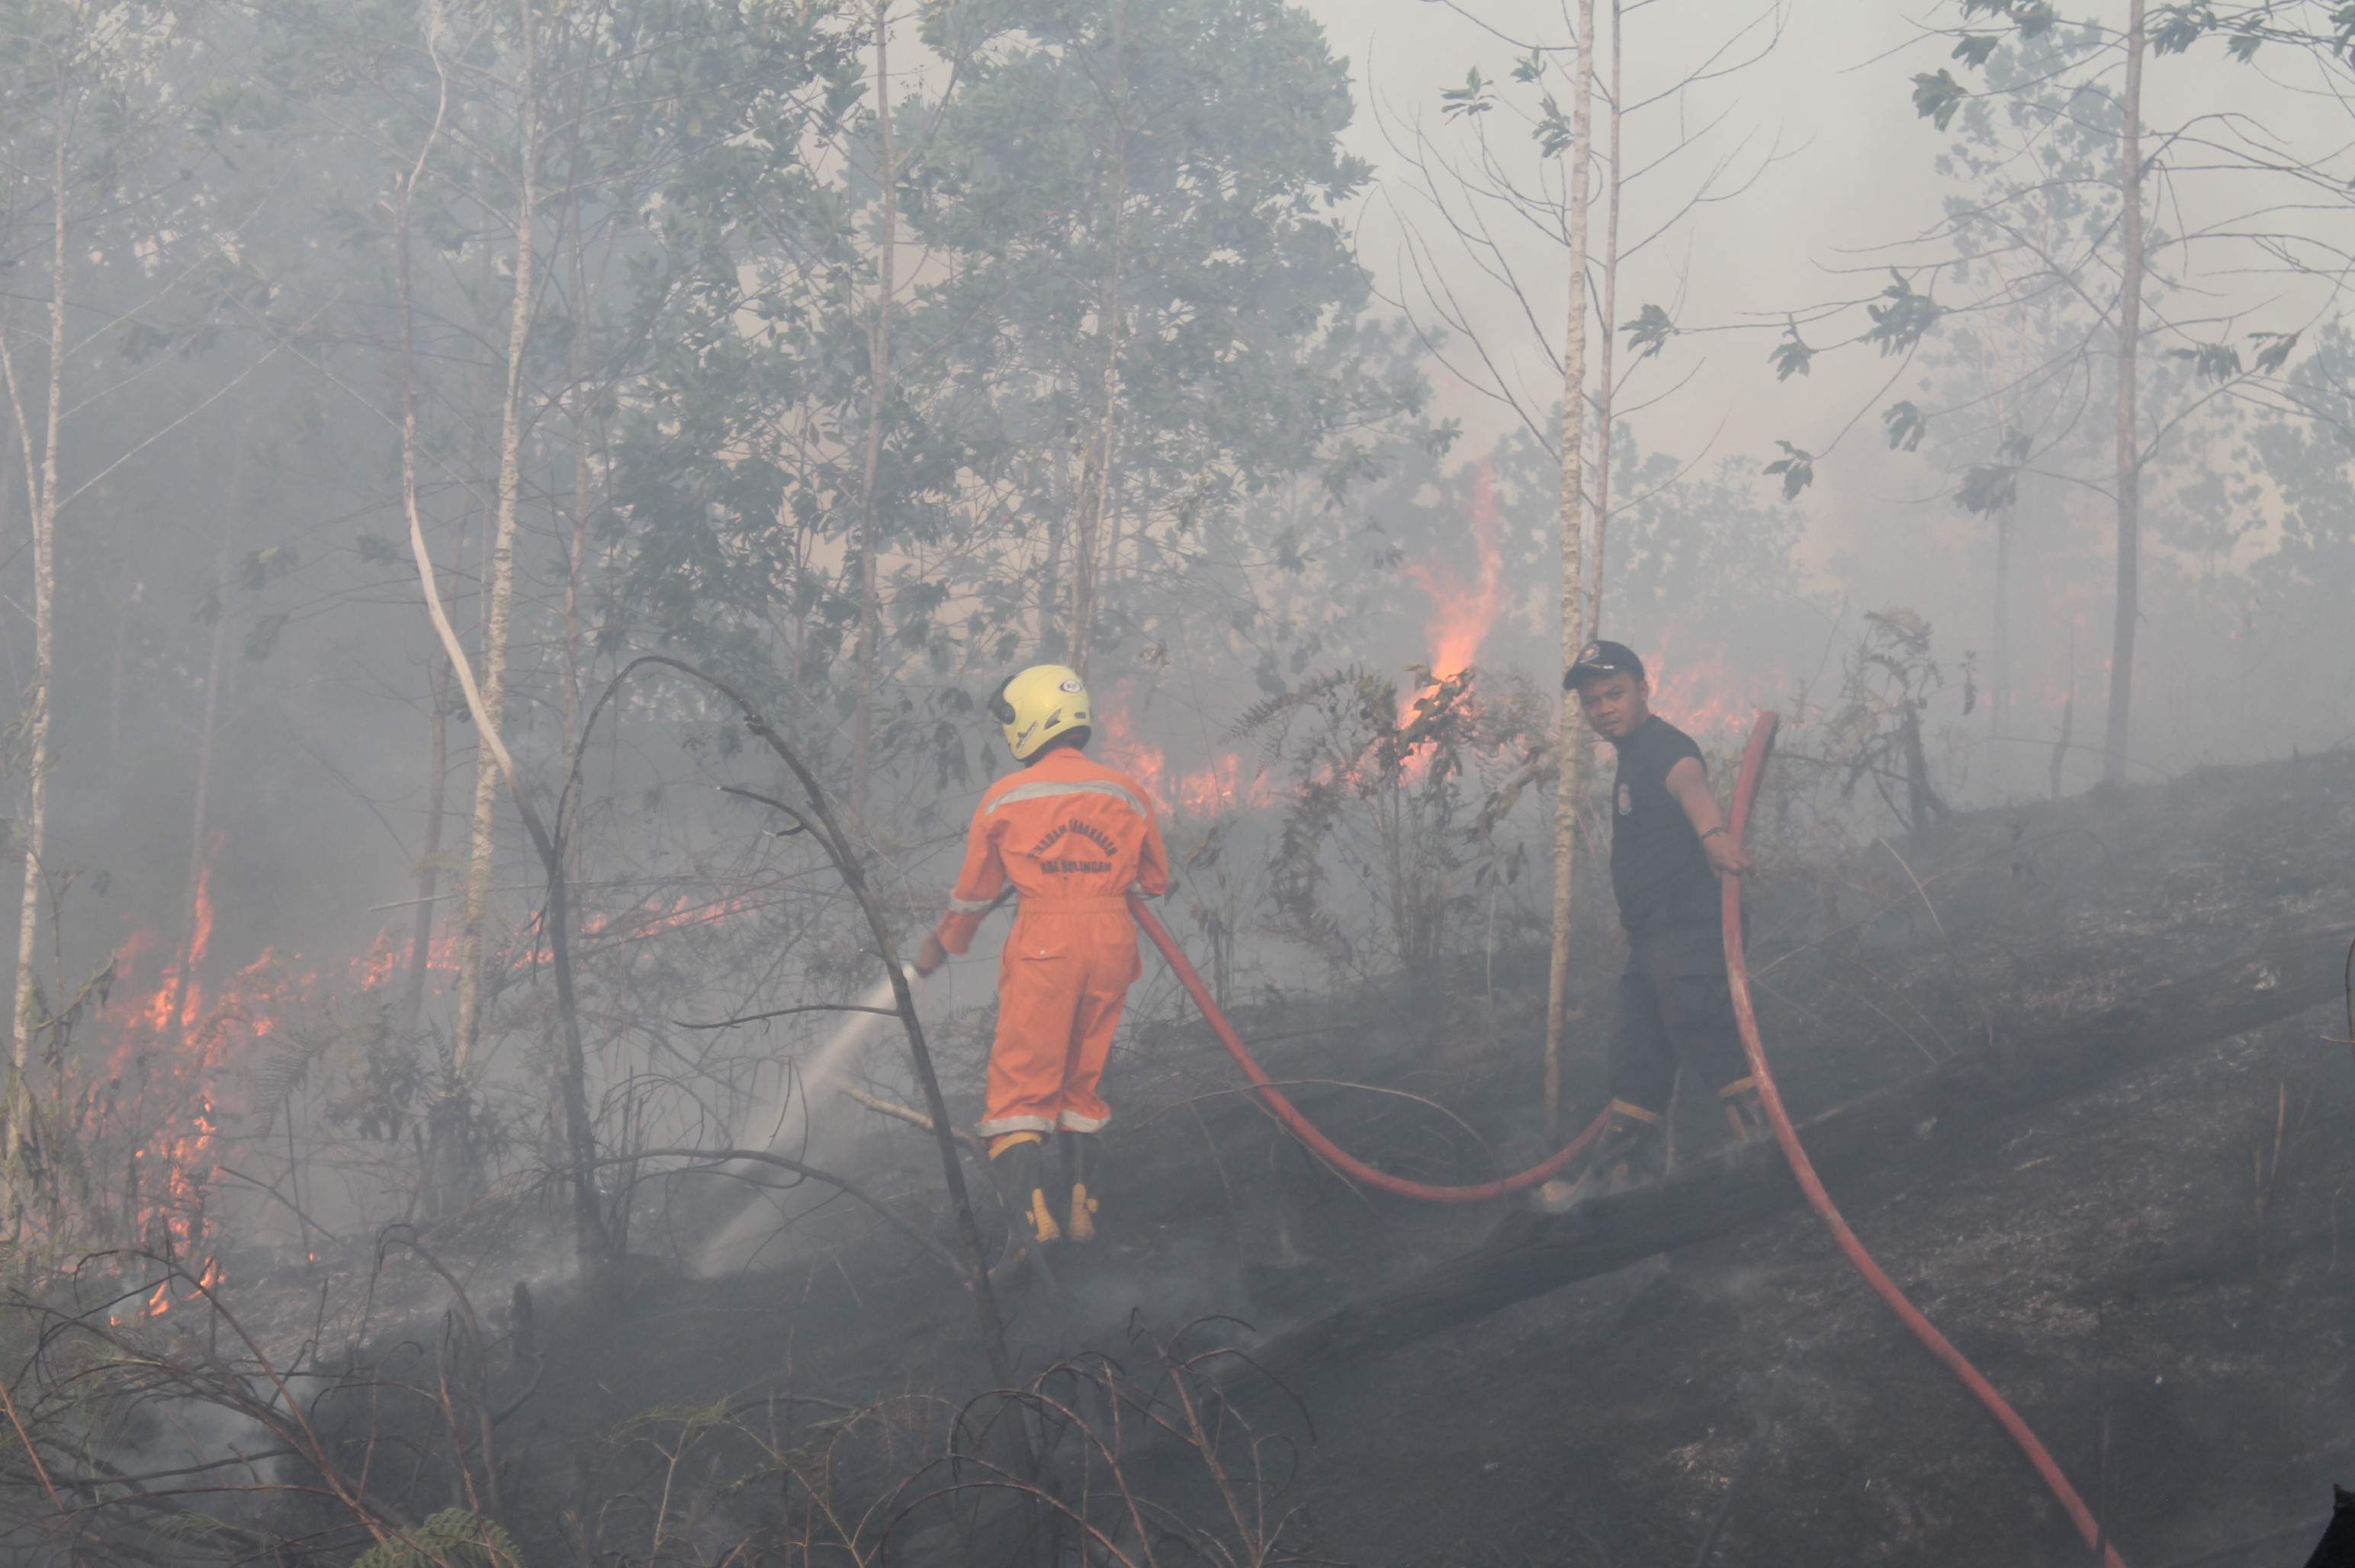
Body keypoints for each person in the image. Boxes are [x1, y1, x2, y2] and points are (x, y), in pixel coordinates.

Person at [915, 664, 1170, 1249]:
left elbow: (976, 892)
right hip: (1112, 941)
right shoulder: (1127, 791)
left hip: (1045, 942)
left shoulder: (1007, 797)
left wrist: (943, 944)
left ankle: (1032, 1216)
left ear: (1029, 720)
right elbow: (1154, 880)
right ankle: (1084, 1205)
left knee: (1022, 1080)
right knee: (1084, 1077)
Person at [1546, 640, 1765, 1207]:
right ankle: (1613, 1193)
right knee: (1636, 1058)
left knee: (1710, 1036)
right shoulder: (1630, 755)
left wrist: (1714, 836)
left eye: (1615, 694)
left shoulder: (1664, 746)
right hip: (1651, 941)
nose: (1605, 709)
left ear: (1644, 690)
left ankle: (1774, 1164)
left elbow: (1689, 782)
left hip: (1685, 928)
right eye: (1593, 702)